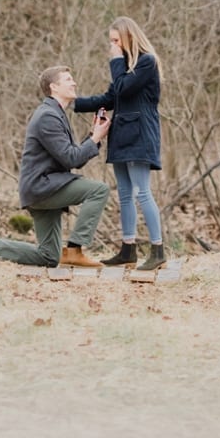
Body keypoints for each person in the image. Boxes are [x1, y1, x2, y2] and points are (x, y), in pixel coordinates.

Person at [0, 66, 112, 268]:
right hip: (43, 187)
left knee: (49, 257)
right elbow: (72, 160)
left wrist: (93, 137)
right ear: (54, 87)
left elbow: (72, 158)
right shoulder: (48, 116)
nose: (74, 83)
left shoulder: (55, 113)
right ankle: (74, 249)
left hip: (44, 188)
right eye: (68, 79)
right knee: (99, 190)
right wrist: (96, 138)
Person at [74, 16, 167, 271]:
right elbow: (111, 97)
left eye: (116, 40)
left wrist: (115, 60)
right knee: (125, 194)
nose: (113, 45)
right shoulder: (123, 68)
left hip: (140, 136)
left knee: (143, 192)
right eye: (111, 41)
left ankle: (158, 250)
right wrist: (73, 102)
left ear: (129, 37)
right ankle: (128, 249)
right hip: (121, 136)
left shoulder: (147, 62)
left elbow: (124, 88)